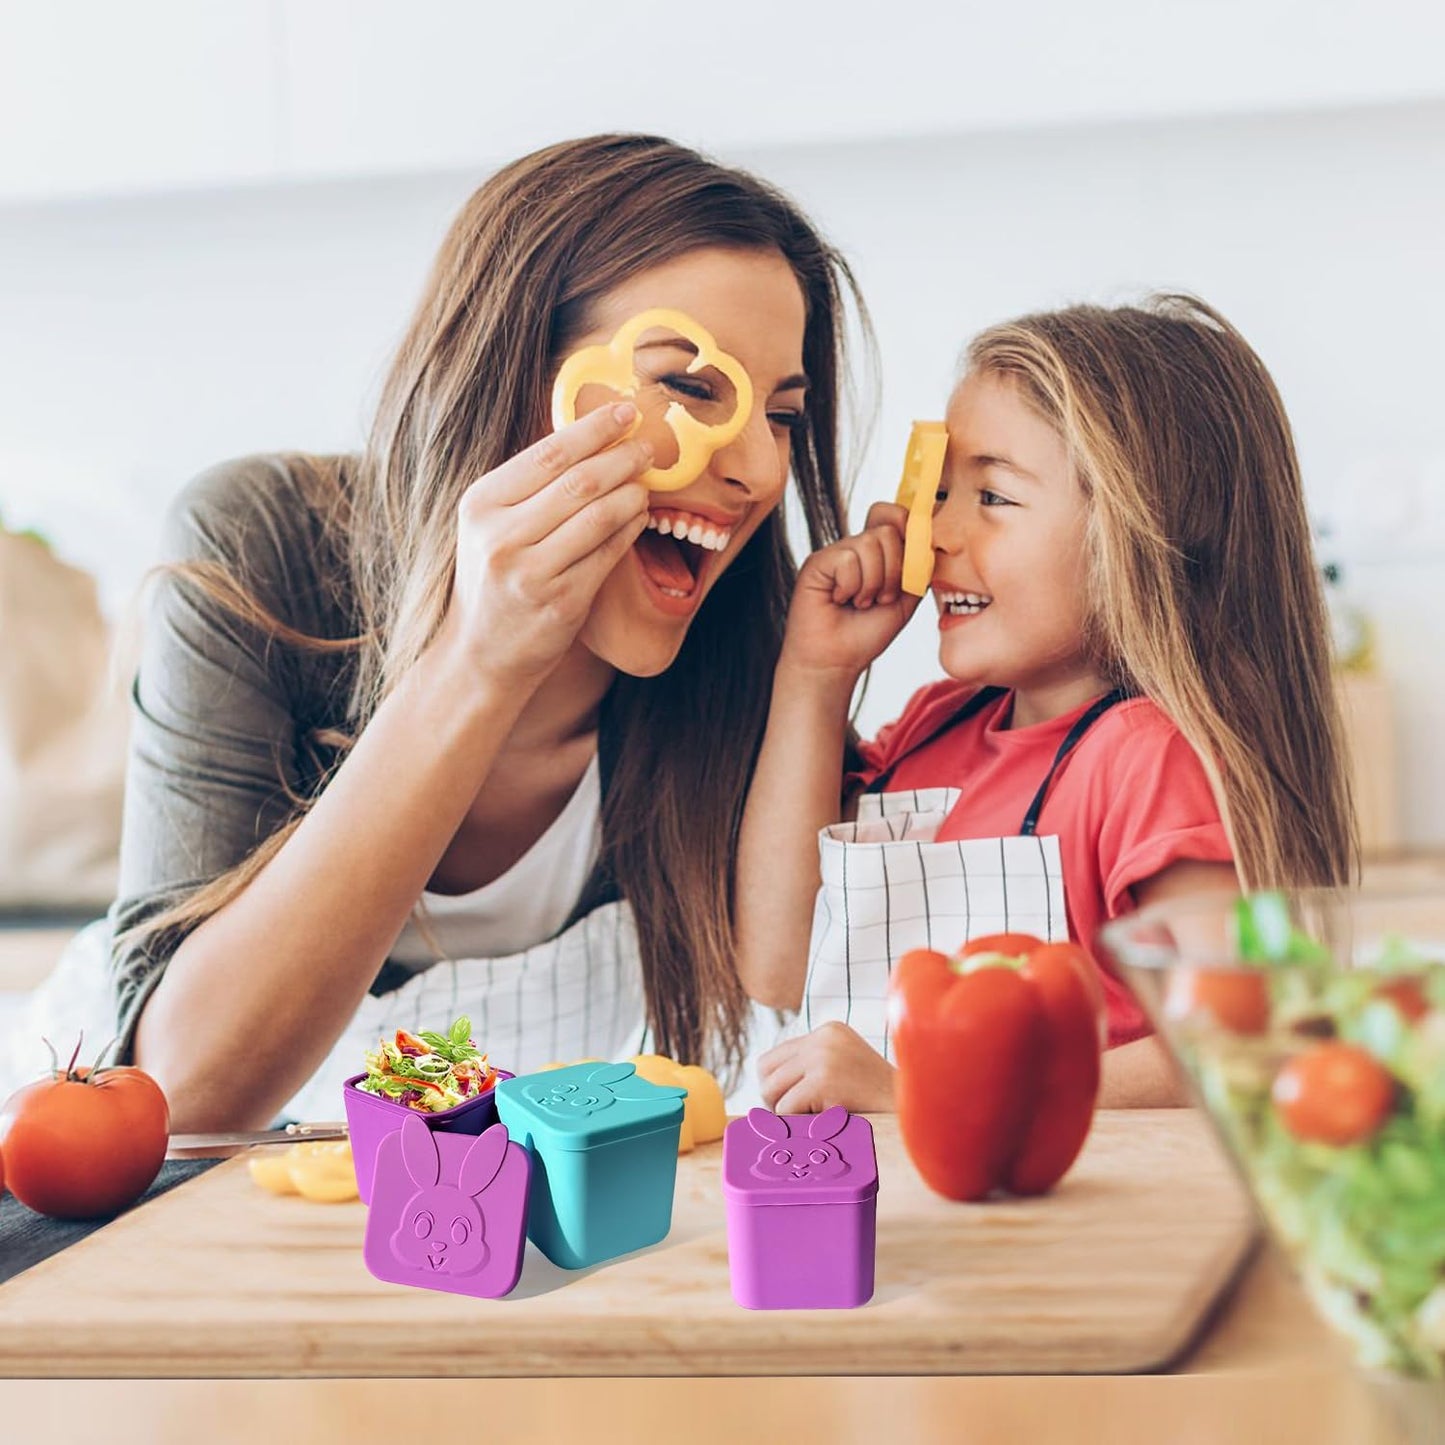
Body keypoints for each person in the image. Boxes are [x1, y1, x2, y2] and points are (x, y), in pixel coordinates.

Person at [107, 134, 865, 1132]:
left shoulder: (749, 656)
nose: (759, 472)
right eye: (688, 389)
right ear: (512, 371)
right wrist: (478, 660)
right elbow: (183, 1096)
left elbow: (790, 996)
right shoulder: (262, 545)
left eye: (781, 416)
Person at [735, 294, 1356, 1112]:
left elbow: (1239, 1045)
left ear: (1137, 534)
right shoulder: (933, 725)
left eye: (990, 497)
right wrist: (813, 674)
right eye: (939, 494)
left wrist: (926, 1090)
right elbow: (780, 965)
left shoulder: (1145, 759)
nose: (936, 536)